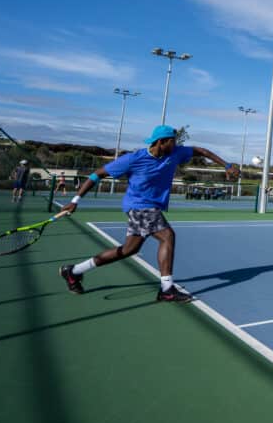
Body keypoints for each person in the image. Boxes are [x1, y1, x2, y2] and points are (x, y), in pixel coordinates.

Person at [58, 125, 239, 303]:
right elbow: (96, 174)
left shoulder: (174, 153)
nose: (175, 145)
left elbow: (202, 151)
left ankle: (73, 271)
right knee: (167, 236)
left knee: (129, 250)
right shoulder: (133, 159)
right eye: (172, 142)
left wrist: (227, 165)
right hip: (139, 206)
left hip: (150, 207)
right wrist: (75, 201)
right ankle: (167, 290)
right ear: (161, 142)